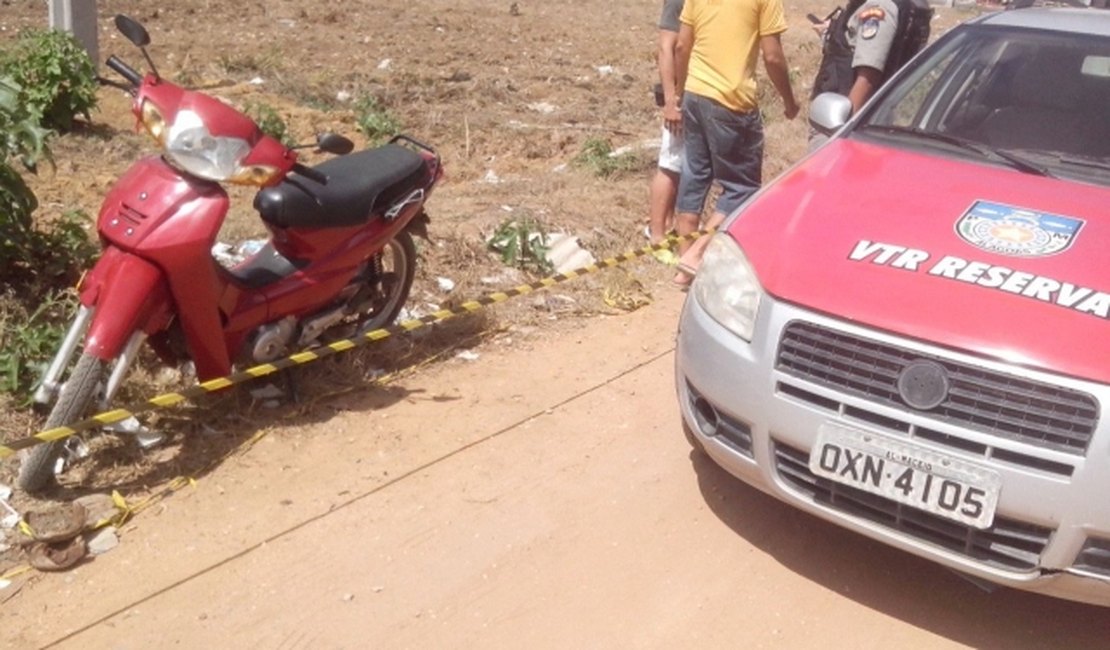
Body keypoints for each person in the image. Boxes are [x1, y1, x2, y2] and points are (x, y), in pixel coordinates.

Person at [668, 0, 800, 289]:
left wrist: (680, 92)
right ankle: (696, 254)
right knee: (742, 187)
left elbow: (681, 46)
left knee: (694, 176)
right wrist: (789, 101)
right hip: (732, 101)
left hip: (695, 94)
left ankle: (684, 267)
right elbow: (773, 56)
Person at [808, 0, 933, 148]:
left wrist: (841, 137)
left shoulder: (878, 7)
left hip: (842, 123)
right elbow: (852, 48)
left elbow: (867, 79)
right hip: (839, 118)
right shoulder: (864, 5)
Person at [646, 0, 686, 253]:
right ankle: (656, 234)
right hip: (682, 95)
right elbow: (666, 47)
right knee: (671, 164)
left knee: (685, 164)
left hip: (703, 92)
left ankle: (671, 225)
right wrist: (671, 100)